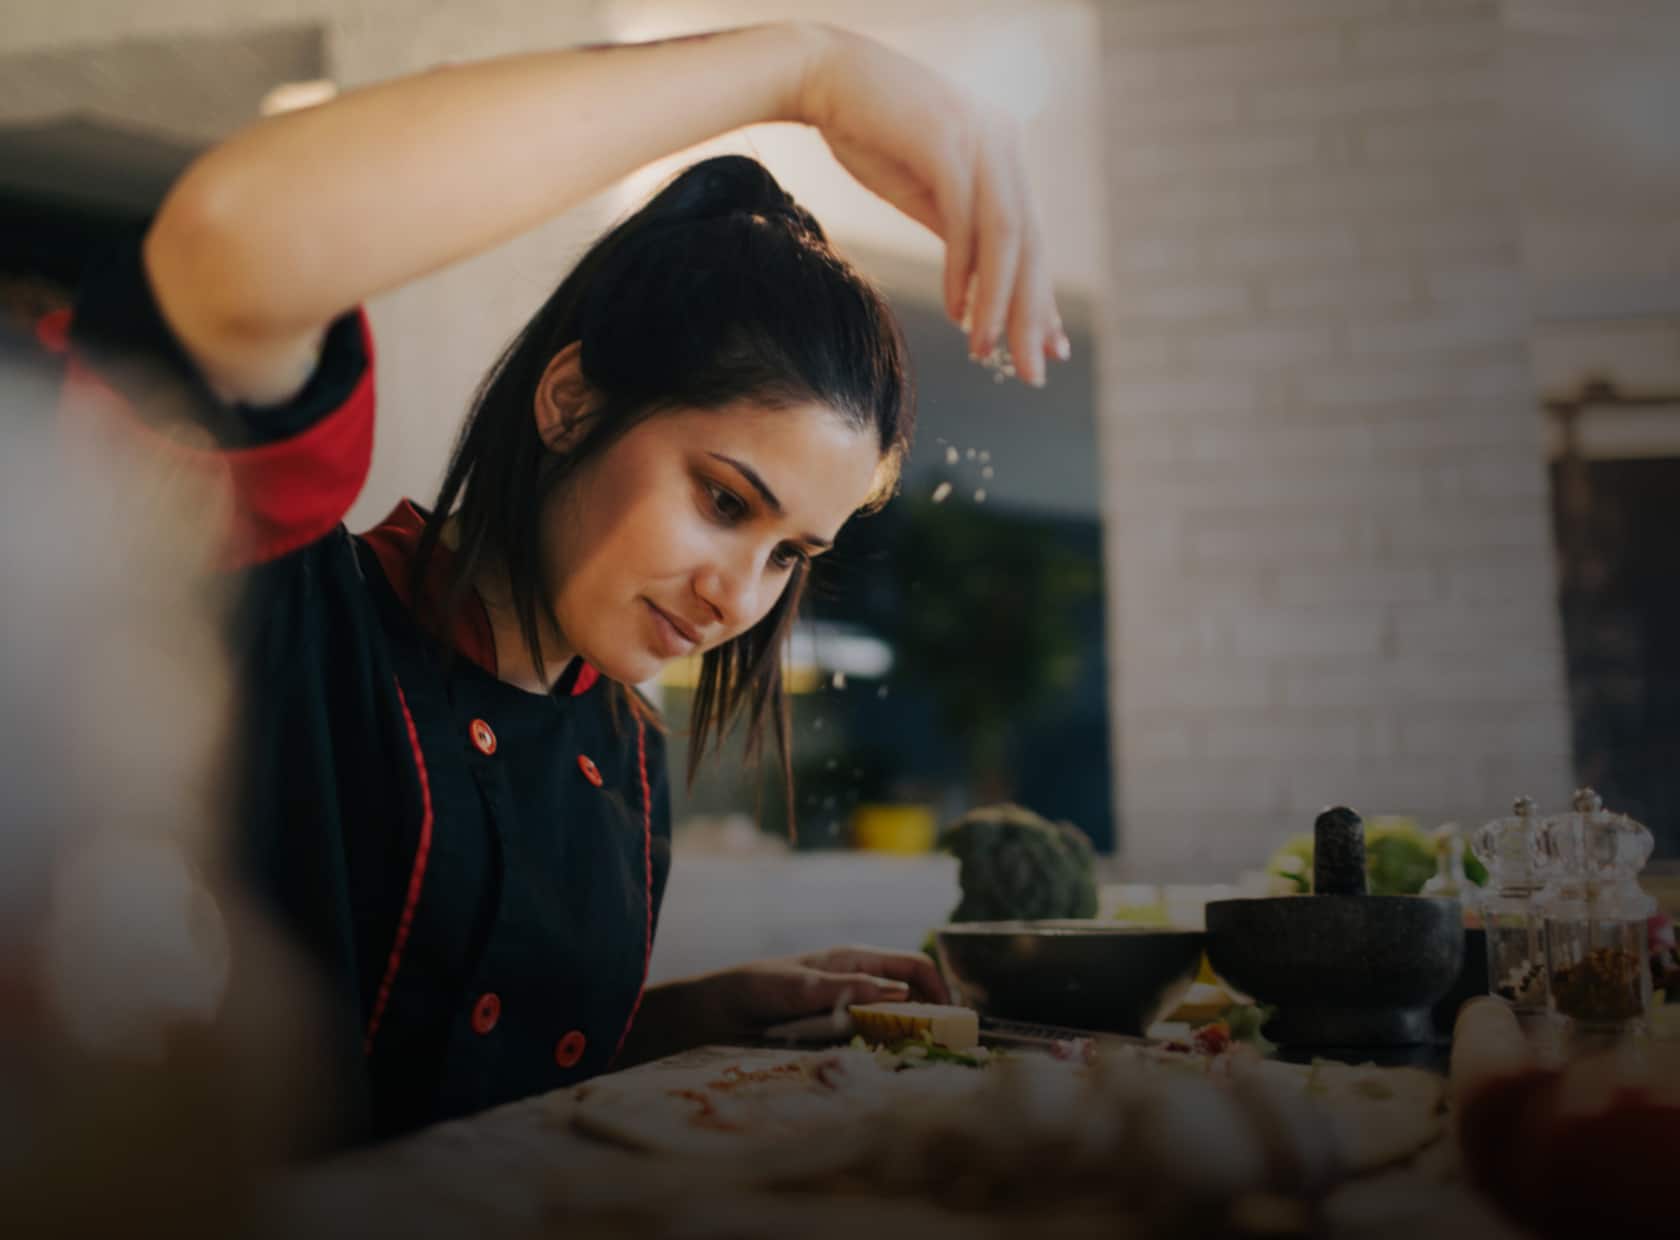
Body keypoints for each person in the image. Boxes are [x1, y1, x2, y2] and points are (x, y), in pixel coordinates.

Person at [61, 21, 1070, 1144]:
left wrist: (703, 1015)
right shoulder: (285, 600)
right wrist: (807, 72)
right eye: (727, 501)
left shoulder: (629, 769)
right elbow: (232, 238)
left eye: (790, 553)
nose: (741, 596)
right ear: (571, 402)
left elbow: (462, 1092)